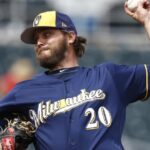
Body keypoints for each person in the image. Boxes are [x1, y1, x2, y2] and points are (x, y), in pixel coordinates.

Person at [0, 0, 150, 149]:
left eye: (46, 34)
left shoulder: (108, 77)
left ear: (70, 37)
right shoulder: (24, 91)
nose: (39, 42)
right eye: (36, 39)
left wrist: (147, 19)